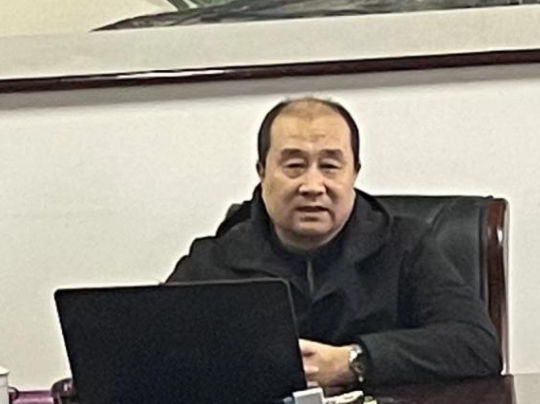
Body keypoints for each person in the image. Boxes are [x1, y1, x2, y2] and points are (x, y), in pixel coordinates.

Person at [166, 96, 502, 389]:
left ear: (354, 172)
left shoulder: (406, 245)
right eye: (294, 166)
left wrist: (355, 361)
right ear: (262, 171)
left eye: (329, 166)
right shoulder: (215, 260)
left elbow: (477, 346)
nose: (313, 186)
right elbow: (155, 357)